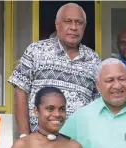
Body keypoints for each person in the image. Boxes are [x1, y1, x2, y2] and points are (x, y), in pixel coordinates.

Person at [8, 3, 100, 135]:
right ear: (57, 25)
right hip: (39, 142)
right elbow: (20, 92)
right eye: (68, 21)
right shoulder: (36, 50)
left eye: (79, 23)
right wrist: (24, 136)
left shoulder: (93, 59)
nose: (73, 27)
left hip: (78, 143)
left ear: (84, 27)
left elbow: (98, 103)